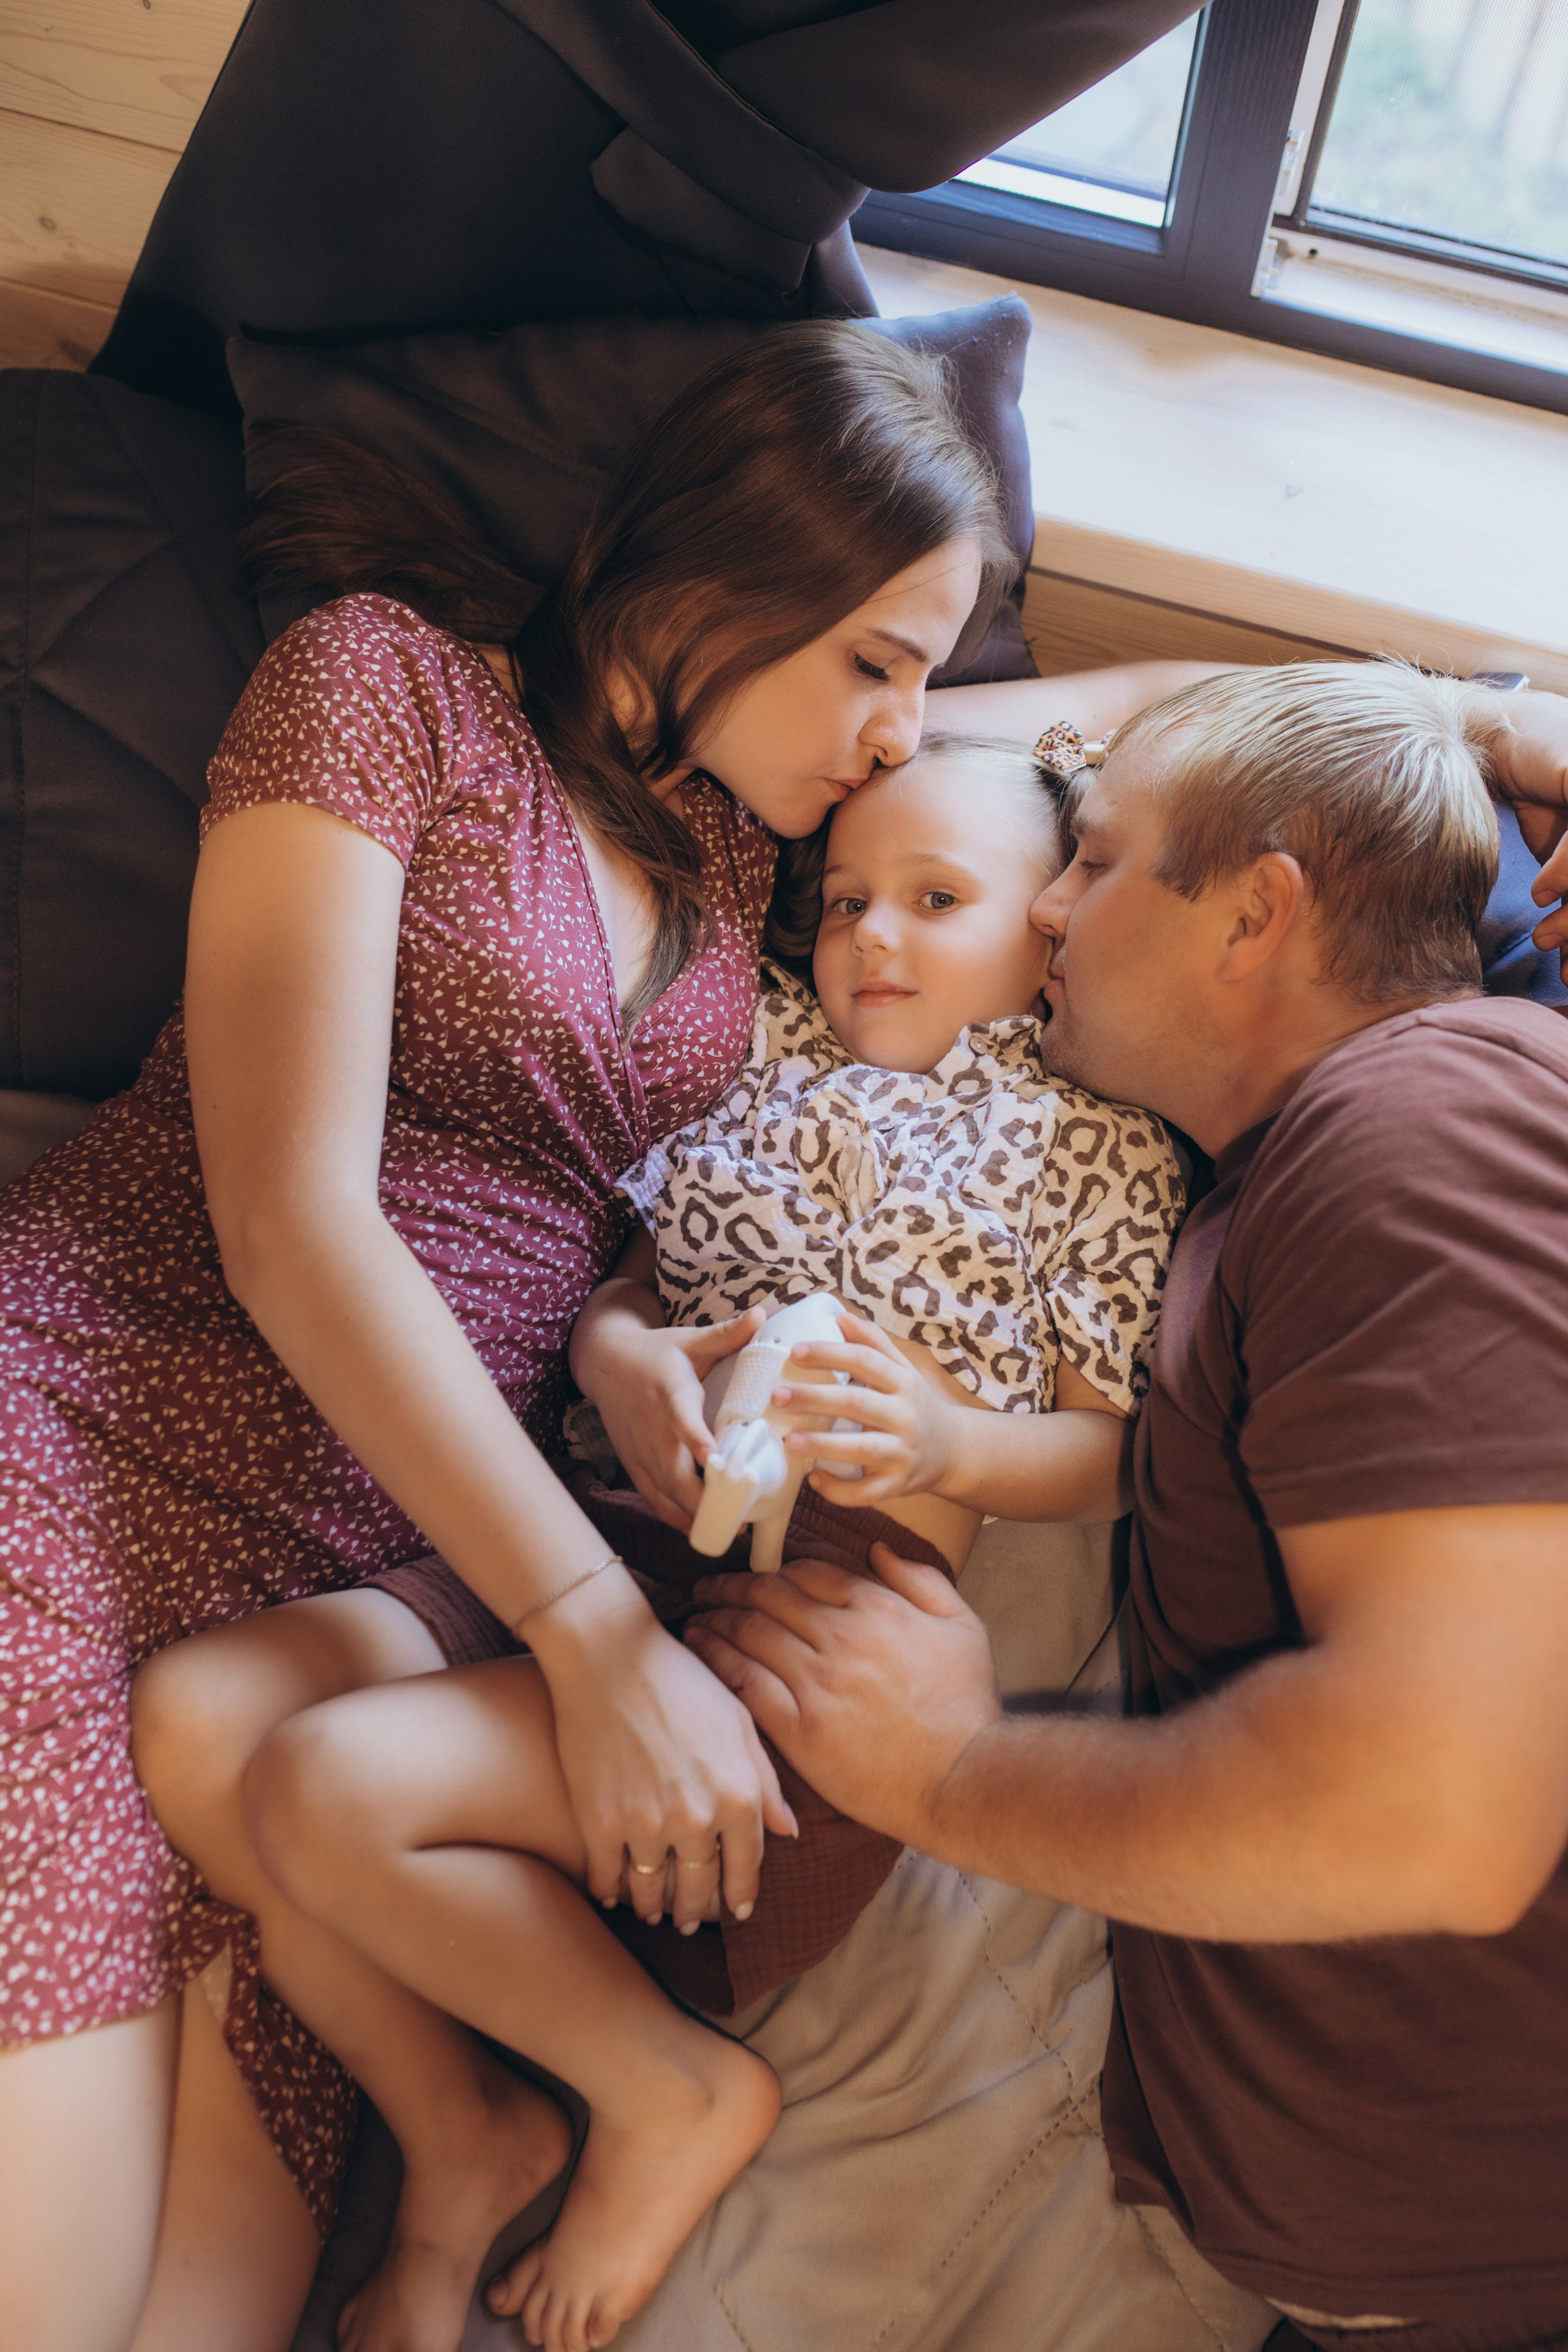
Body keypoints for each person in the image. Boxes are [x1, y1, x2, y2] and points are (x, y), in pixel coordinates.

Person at [0, 313, 1229, 2352]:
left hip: (388, 1544)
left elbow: (1107, 720)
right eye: (876, 662)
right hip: (100, 1404)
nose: (903, 733)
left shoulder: (776, 858)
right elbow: (285, 1223)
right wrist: (589, 1638)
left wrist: (1474, 707)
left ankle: (479, 2127)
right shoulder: (381, 685)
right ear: (724, 576)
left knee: (195, 2309)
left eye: (928, 679)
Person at [208, 730, 1181, 2352]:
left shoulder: (1090, 1139)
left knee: (318, 1786)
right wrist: (617, 1347)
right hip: (593, 1538)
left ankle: (659, 2090)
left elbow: (1115, 1452)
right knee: (226, 1741)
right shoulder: (765, 1060)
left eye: (937, 899)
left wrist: (955, 1447)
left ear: (1052, 929)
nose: (873, 935)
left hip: (780, 1676)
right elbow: (644, 1280)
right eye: (848, 899)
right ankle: (473, 2141)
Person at [685, 661, 1568, 2352]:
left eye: (1089, 862)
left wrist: (948, 1769)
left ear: (1259, 911)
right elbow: (1010, 753)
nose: (1050, 916)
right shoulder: (1289, 1170)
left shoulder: (1421, 1123)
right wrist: (1467, 713)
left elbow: (1430, 1813)